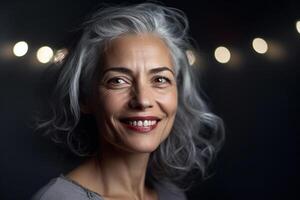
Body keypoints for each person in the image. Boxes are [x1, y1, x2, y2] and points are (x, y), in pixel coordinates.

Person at [32, 2, 225, 200]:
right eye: (118, 81)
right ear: (85, 97)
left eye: (160, 79)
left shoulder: (172, 195)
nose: (142, 100)